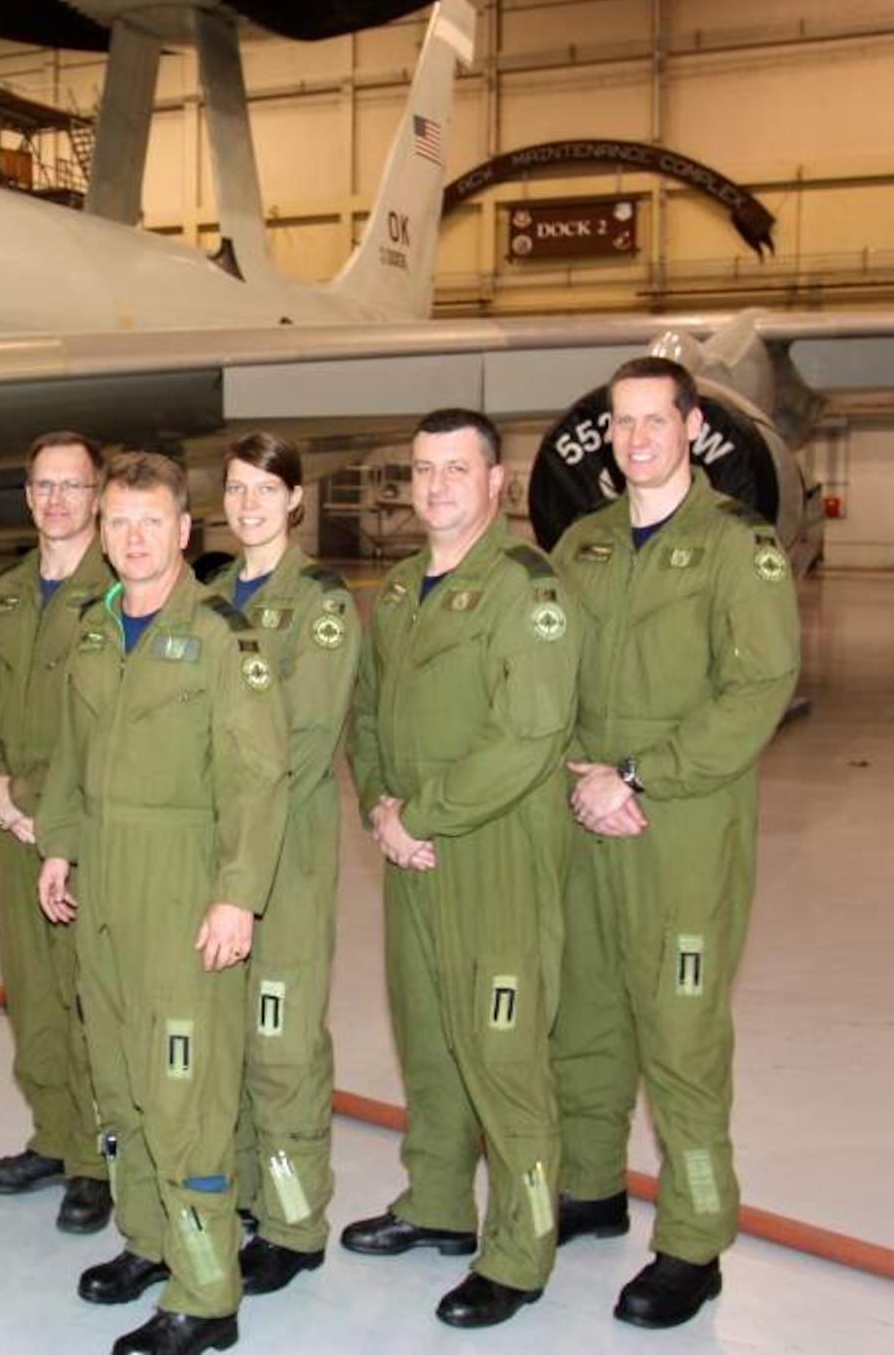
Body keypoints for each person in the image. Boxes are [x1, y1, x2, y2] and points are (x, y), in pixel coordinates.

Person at [550, 357, 801, 1330]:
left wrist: (639, 774)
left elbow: (757, 690)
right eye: (618, 423)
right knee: (588, 1017)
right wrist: (581, 773)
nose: (633, 438)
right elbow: (547, 678)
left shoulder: (737, 546)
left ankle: (692, 1240)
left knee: (682, 1037)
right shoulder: (581, 546)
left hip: (681, 828)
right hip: (587, 819)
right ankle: (589, 1184)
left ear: (690, 427)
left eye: (653, 420)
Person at [37, 451, 290, 1355]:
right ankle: (149, 1241)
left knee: (185, 1093)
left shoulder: (222, 636)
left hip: (185, 882)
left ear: (186, 531)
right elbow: (68, 756)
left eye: (151, 521)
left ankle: (206, 1291)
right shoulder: (99, 629)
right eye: (118, 523)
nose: (133, 539)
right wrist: (58, 844)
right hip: (102, 879)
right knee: (121, 1080)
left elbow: (260, 779)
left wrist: (237, 897)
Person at [342, 408, 579, 1330]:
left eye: (455, 469)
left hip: (494, 861)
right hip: (411, 856)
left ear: (496, 483)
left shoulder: (529, 589)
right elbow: (366, 717)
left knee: (505, 1059)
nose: (435, 485)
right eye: (422, 469)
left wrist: (421, 814)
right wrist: (379, 811)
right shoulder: (400, 588)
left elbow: (527, 735)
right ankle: (437, 1204)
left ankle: (520, 1249)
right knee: (432, 1042)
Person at [208, 432, 359, 1297]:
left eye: (267, 488)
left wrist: (224, 821)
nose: (250, 502)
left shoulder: (320, 603)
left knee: (281, 1043)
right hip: (218, 857)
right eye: (236, 487)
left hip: (285, 857)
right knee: (227, 1042)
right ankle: (242, 1201)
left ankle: (296, 1223)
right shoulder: (213, 595)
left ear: (296, 500)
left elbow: (301, 741)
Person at [0, 431, 115, 1235]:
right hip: (9, 822)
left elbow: (109, 726)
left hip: (79, 824)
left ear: (96, 494)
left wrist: (42, 807)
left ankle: (98, 1156)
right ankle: (55, 1135)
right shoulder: (6, 595)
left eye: (72, 485)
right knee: (30, 990)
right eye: (43, 486)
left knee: (86, 988)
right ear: (28, 497)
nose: (57, 499)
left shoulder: (118, 591)